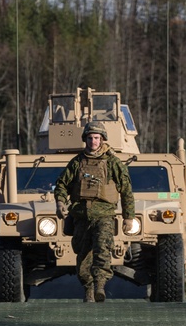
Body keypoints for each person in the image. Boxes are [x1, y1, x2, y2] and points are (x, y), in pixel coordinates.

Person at [54, 121, 135, 302]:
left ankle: (100, 285)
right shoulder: (77, 162)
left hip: (104, 214)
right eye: (90, 138)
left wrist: (129, 217)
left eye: (97, 138)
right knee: (82, 255)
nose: (93, 142)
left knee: (102, 248)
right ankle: (88, 289)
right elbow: (61, 184)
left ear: (102, 139)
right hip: (81, 215)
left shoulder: (113, 162)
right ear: (85, 139)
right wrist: (60, 203)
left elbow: (126, 190)